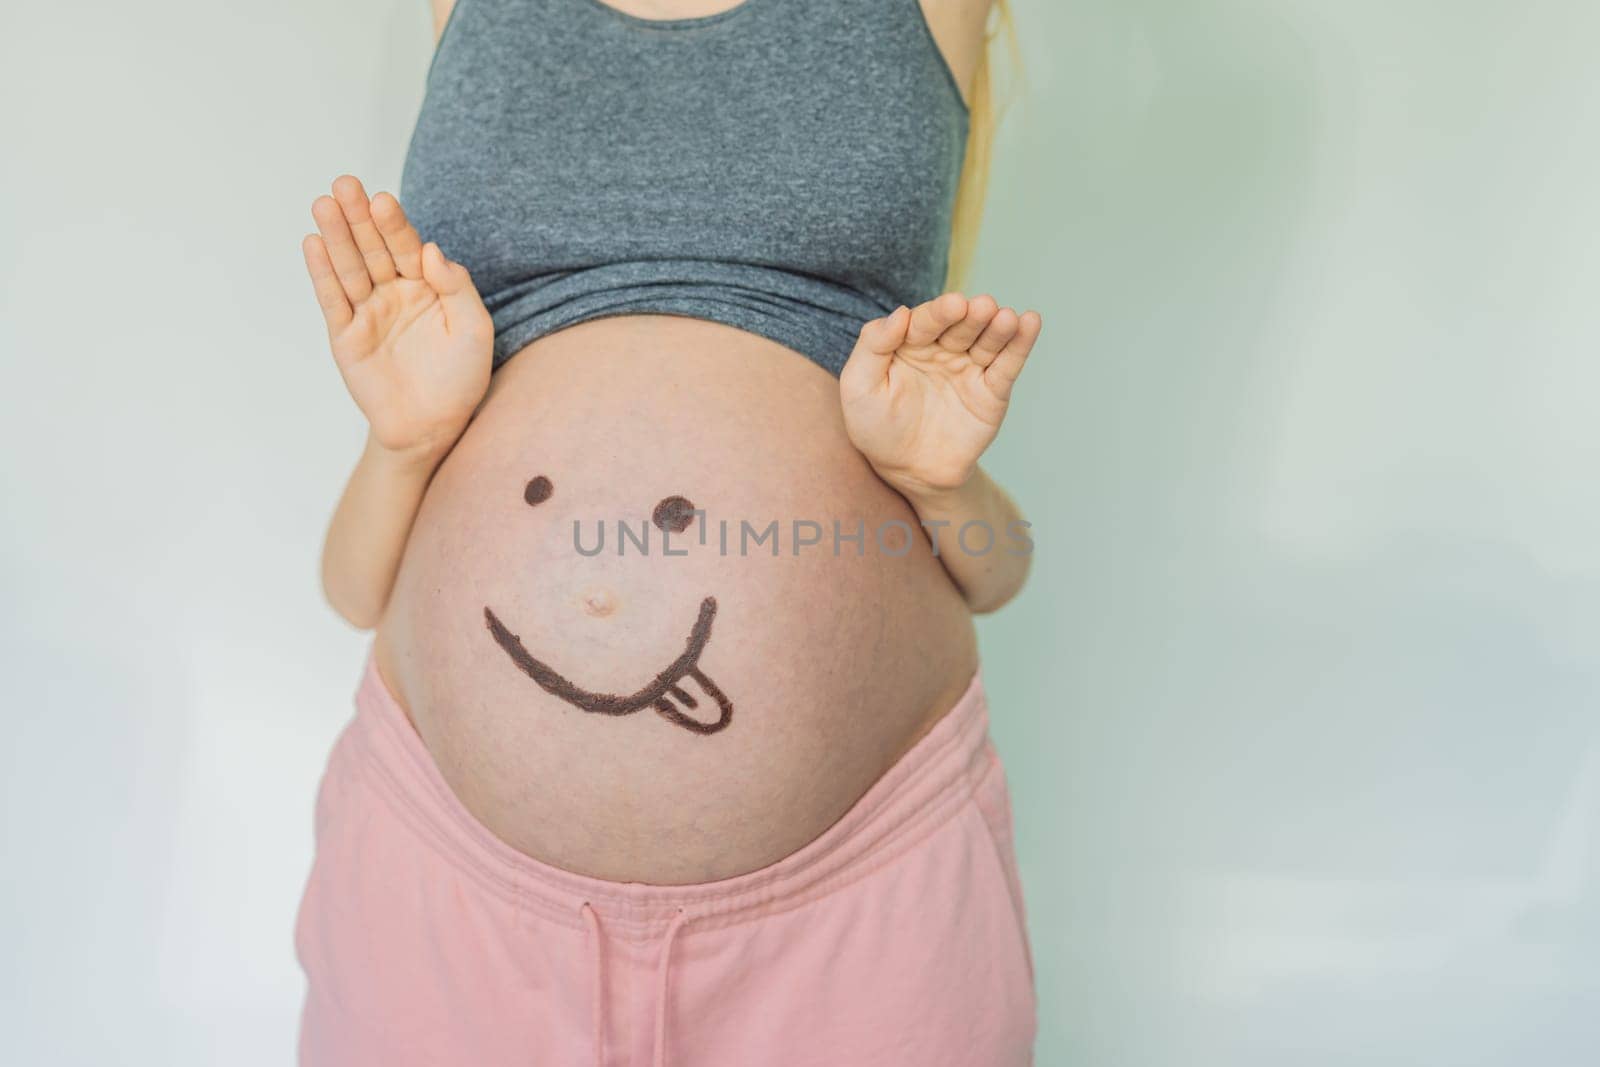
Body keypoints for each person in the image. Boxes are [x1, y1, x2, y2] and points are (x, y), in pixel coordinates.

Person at [294, 0, 1042, 1063]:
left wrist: (935, 479)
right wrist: (405, 442)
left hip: (856, 914)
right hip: (448, 895)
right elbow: (354, 591)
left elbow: (1000, 572)